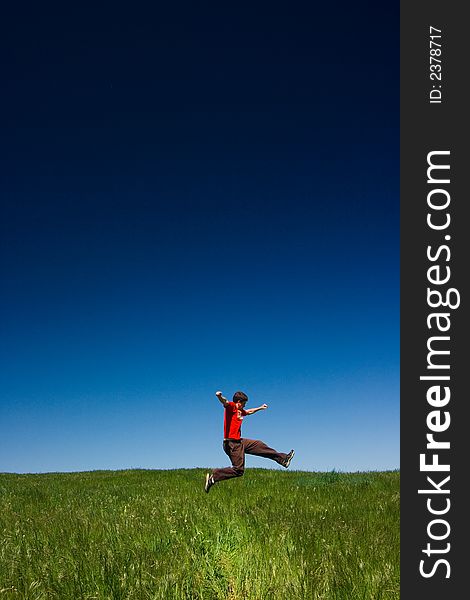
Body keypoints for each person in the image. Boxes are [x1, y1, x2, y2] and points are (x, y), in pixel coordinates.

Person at [204, 390, 295, 493]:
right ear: (239, 401)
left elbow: (249, 411)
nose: (245, 405)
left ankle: (283, 459)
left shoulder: (240, 411)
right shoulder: (232, 406)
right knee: (239, 470)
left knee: (258, 444)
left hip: (239, 441)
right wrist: (219, 396)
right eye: (244, 403)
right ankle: (214, 477)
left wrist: (260, 408)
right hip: (231, 443)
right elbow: (224, 402)